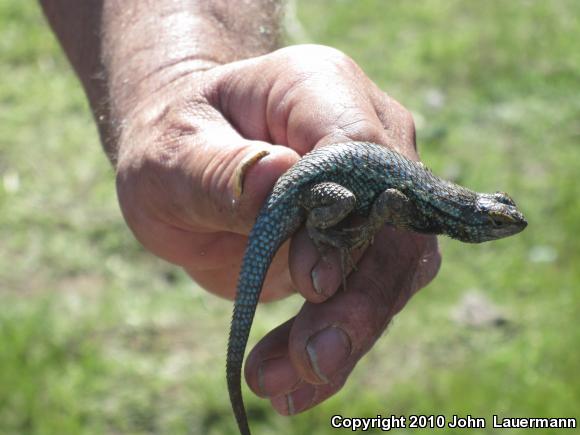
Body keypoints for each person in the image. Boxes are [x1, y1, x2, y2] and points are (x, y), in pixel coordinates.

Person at [41, 1, 440, 415]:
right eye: (494, 221)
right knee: (334, 224)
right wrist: (167, 83)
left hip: (308, 189)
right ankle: (319, 230)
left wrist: (167, 84)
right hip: (303, 189)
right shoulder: (429, 209)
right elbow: (391, 200)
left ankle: (319, 229)